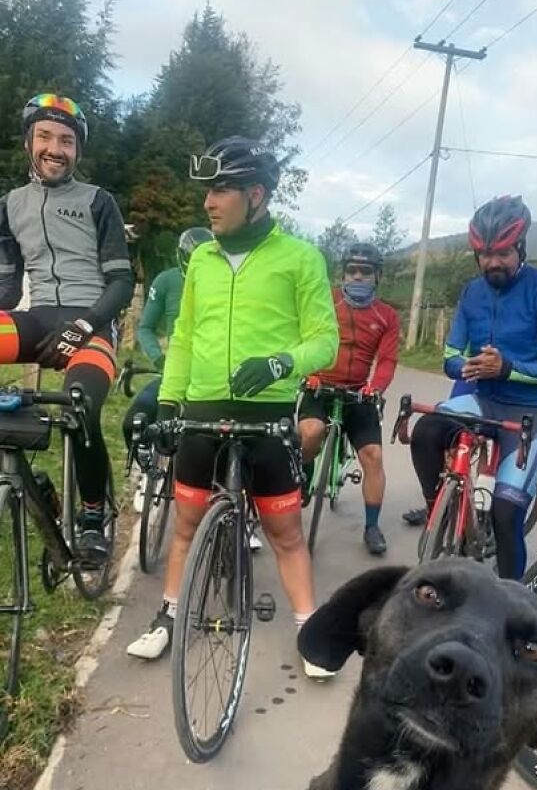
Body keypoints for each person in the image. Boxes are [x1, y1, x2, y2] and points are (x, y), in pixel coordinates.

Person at [126, 136, 339, 677]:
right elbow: (187, 334)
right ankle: (170, 616)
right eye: (208, 190)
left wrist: (279, 362)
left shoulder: (301, 258)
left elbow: (324, 341)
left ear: (257, 194)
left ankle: (309, 627)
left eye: (220, 189)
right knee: (185, 524)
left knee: (285, 534)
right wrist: (170, 401)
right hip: (200, 407)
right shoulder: (201, 258)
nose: (208, 202)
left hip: (265, 412)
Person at [407, 195, 537, 580]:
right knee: (427, 431)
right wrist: (464, 365)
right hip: (483, 401)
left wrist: (508, 368)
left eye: (501, 252)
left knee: (506, 513)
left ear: (520, 247)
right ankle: (439, 505)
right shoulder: (473, 292)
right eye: (483, 254)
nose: (492, 262)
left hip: (533, 411)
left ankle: (511, 604)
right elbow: (451, 354)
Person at [0, 93, 133, 562]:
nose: (55, 148)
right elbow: (7, 291)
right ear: (28, 143)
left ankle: (93, 514)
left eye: (66, 140)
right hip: (37, 319)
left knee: (81, 407)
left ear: (77, 150)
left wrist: (84, 326)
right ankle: (30, 481)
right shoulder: (10, 205)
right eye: (45, 136)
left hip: (92, 323)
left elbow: (122, 282)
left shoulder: (99, 201)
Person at [298, 242, 400, 555]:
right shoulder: (326, 302)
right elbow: (305, 336)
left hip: (359, 393)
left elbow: (386, 360)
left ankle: (371, 526)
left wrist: (376, 387)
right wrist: (309, 370)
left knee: (373, 456)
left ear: (377, 276)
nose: (357, 277)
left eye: (365, 272)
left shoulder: (386, 316)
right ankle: (304, 474)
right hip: (320, 386)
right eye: (352, 271)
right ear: (342, 274)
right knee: (311, 433)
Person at [122, 226, 213, 453]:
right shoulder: (167, 281)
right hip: (173, 373)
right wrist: (159, 358)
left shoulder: (225, 285)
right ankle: (144, 473)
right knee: (132, 423)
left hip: (209, 379)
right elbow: (146, 328)